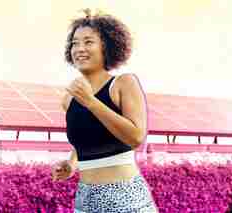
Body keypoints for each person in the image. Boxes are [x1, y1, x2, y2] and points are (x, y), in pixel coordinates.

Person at [51, 8, 159, 213]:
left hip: (125, 197)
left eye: (88, 42)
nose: (79, 48)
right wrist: (71, 165)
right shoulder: (70, 99)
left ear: (107, 47)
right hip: (85, 200)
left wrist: (91, 102)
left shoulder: (123, 83)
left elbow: (136, 137)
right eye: (75, 43)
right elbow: (86, 140)